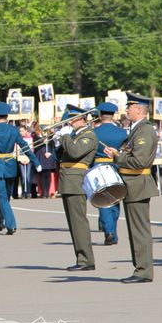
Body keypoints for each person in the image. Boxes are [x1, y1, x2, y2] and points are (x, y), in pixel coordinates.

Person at [104, 93, 159, 283]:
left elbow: (139, 161)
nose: (126, 110)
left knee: (139, 231)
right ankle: (140, 268)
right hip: (133, 184)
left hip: (138, 184)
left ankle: (143, 271)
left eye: (129, 107)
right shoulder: (137, 129)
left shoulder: (144, 131)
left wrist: (117, 157)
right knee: (135, 230)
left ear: (138, 110)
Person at [0, 101, 40, 235]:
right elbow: (24, 146)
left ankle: (10, 224)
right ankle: (3, 222)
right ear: (7, 117)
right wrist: (35, 161)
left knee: (2, 196)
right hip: (10, 164)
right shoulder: (13, 130)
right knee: (5, 196)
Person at [57, 105, 98, 270]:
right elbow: (61, 155)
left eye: (73, 118)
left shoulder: (88, 136)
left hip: (76, 182)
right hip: (68, 181)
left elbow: (75, 153)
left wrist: (65, 137)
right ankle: (81, 258)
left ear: (83, 119)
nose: (70, 121)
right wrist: (59, 140)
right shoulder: (74, 135)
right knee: (73, 223)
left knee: (78, 223)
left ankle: (86, 260)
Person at [93, 102, 128, 245]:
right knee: (115, 198)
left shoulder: (93, 132)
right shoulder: (122, 132)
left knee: (103, 199)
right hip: (116, 166)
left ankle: (109, 231)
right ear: (113, 115)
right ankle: (112, 229)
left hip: (98, 166)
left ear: (100, 115)